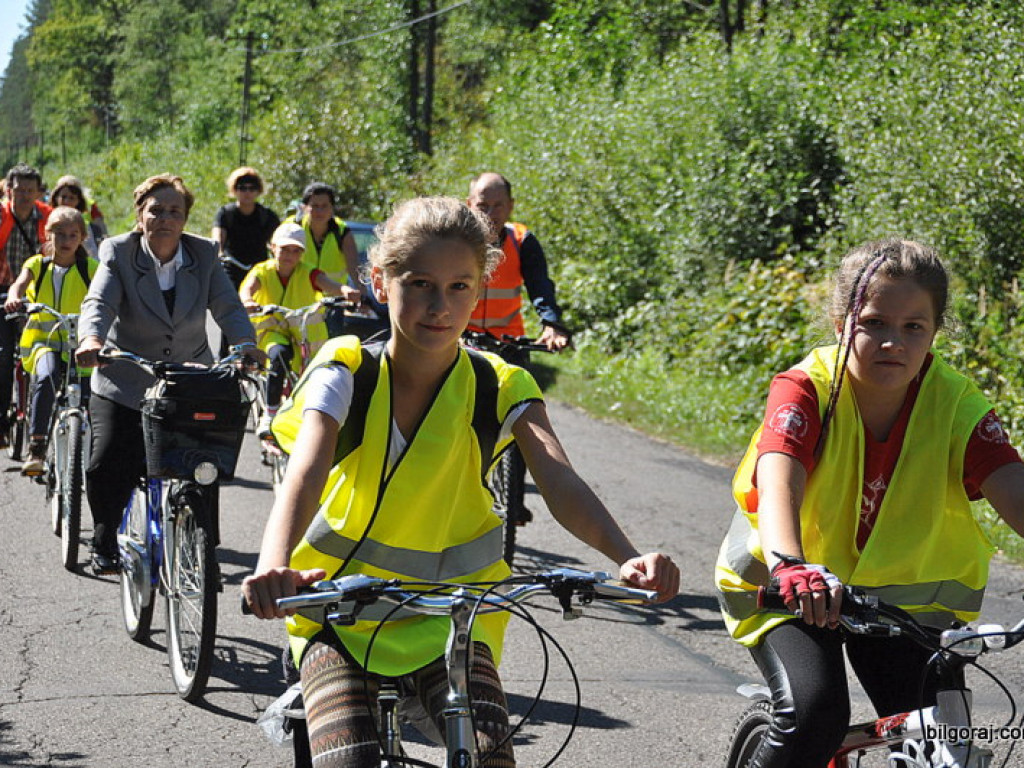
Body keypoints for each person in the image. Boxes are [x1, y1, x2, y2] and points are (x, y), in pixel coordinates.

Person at [241, 196, 679, 767]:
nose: (439, 306)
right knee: (347, 760)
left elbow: (560, 479)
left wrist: (627, 556)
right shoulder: (346, 368)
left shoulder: (499, 383)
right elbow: (307, 467)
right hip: (338, 614)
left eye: (459, 287)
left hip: (452, 620)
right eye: (419, 282)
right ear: (380, 281)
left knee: (492, 760)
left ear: (480, 289)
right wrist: (274, 565)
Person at [714, 238, 1024, 768]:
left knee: (948, 747)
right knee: (813, 717)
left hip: (909, 611)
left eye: (913, 328)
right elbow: (778, 476)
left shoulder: (958, 404)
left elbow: (1012, 487)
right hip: (790, 592)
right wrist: (791, 563)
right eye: (874, 322)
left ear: (934, 332)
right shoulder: (805, 388)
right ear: (841, 322)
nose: (892, 343)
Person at [75, 173, 262, 574]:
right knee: (106, 463)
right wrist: (91, 339)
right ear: (140, 215)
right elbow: (99, 301)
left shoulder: (205, 254)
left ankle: (203, 546)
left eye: (174, 211)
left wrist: (246, 345)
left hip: (189, 378)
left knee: (203, 465)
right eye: (155, 210)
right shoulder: (117, 251)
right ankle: (105, 540)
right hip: (124, 377)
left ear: (185, 218)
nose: (165, 218)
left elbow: (228, 307)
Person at [3, 206, 97, 475]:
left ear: (82, 238)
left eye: (72, 235)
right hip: (42, 343)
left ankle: (90, 454)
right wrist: (14, 297)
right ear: (47, 234)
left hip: (79, 344)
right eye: (59, 234)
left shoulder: (89, 268)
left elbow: (107, 291)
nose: (66, 241)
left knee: (90, 397)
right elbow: (19, 284)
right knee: (46, 377)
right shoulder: (37, 265)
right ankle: (37, 447)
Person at [240, 221, 350, 439]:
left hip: (302, 334)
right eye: (284, 249)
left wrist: (346, 291)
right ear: (273, 248)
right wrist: (248, 300)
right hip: (272, 331)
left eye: (296, 250)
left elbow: (328, 284)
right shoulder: (262, 271)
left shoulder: (308, 272)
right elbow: (248, 288)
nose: (290, 255)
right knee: (278, 357)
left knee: (319, 372)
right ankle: (270, 415)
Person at [466, 172, 570, 352]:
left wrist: (551, 323)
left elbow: (540, 287)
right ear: (469, 205)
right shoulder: (455, 241)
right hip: (463, 339)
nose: (490, 214)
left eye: (498, 205)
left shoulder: (522, 240)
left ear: (510, 206)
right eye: (482, 206)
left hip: (509, 342)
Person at [0, 164, 52, 448]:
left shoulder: (48, 217)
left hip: (38, 291)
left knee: (44, 352)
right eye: (19, 190)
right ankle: (1, 420)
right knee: (4, 355)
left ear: (38, 192)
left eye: (30, 191)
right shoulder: (1, 215)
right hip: (3, 290)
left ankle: (41, 419)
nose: (24, 196)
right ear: (9, 190)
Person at [211, 166, 281, 288]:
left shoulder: (267, 216)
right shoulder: (226, 214)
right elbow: (217, 240)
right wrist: (218, 254)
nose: (247, 192)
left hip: (259, 271)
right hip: (231, 270)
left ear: (258, 190)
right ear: (234, 190)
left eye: (252, 188)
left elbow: (278, 241)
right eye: (242, 188)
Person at [50, 175, 102, 256]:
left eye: (72, 198)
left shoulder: (83, 224)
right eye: (63, 197)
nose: (67, 201)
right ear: (56, 198)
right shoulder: (45, 217)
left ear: (78, 201)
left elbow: (92, 253)